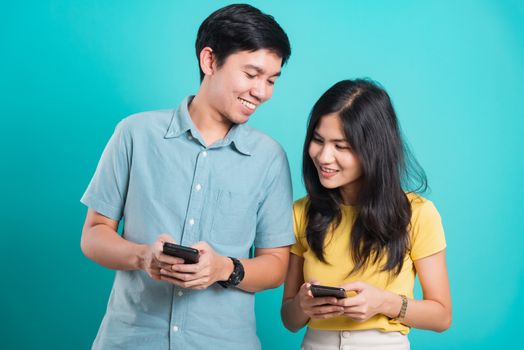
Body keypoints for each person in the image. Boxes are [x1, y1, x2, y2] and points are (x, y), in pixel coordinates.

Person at [80, 4, 294, 349]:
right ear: (209, 61)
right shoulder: (135, 133)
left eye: (271, 80)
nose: (262, 92)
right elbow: (93, 234)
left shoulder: (269, 157)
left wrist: (224, 268)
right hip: (130, 339)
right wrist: (143, 256)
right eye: (252, 74)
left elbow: (276, 265)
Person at [281, 79, 451, 349]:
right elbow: (289, 320)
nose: (324, 157)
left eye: (341, 146)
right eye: (318, 140)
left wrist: (385, 303)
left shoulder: (417, 213)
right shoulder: (301, 212)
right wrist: (303, 305)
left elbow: (442, 316)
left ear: (374, 150)